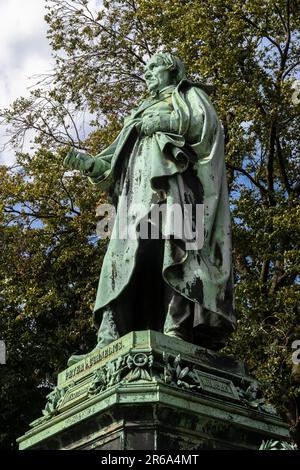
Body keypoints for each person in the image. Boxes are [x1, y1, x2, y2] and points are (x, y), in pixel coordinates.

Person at [64, 52, 235, 365]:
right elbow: (112, 164)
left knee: (178, 251)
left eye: (152, 68)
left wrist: (168, 120)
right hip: (134, 196)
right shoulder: (139, 112)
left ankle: (177, 329)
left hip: (176, 187)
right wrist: (89, 164)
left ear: (171, 69)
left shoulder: (188, 96)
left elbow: (207, 129)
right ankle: (109, 335)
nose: (146, 74)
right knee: (122, 258)